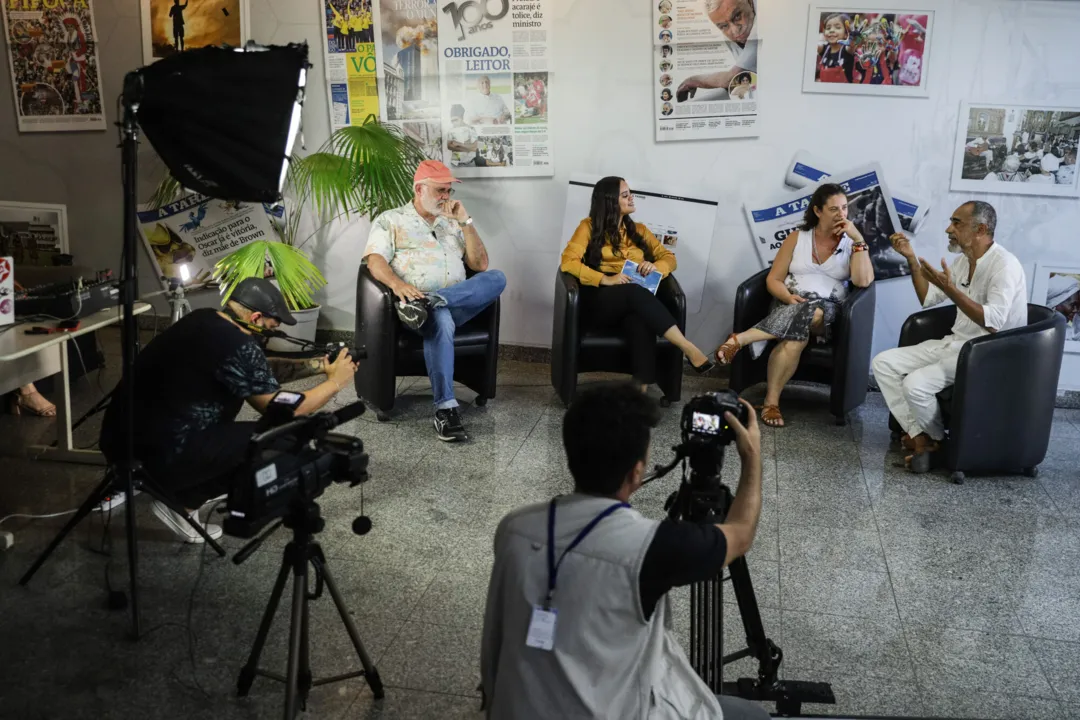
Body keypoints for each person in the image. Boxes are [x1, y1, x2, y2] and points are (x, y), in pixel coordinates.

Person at [480, 382, 769, 720]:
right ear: (636, 472)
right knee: (751, 717)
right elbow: (740, 534)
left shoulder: (514, 528)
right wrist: (752, 458)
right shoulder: (653, 546)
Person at [98, 278, 358, 542]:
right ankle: (181, 504)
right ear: (256, 317)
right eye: (270, 328)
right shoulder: (238, 345)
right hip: (163, 454)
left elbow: (252, 369)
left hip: (120, 445)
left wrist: (317, 366)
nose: (270, 334)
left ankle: (166, 484)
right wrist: (336, 382)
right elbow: (282, 409)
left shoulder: (204, 320)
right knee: (280, 437)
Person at [872, 202, 1027, 473]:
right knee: (883, 363)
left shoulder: (1004, 265)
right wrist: (911, 258)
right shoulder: (961, 261)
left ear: (981, 229)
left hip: (985, 354)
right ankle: (926, 438)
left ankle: (934, 445)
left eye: (957, 223)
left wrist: (952, 290)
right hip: (954, 344)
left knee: (915, 384)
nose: (949, 229)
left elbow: (993, 322)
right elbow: (927, 298)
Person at [363, 160, 506, 442]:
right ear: (419, 189)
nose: (446, 197)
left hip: (450, 302)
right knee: (439, 321)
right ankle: (445, 409)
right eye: (440, 190)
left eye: (448, 191)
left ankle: (435, 300)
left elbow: (480, 264)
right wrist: (398, 285)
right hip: (409, 310)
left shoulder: (452, 223)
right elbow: (374, 261)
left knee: (497, 277)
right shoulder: (391, 220)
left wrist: (465, 222)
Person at [713, 183, 875, 428]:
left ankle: (742, 339)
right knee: (795, 337)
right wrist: (788, 298)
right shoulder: (797, 238)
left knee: (813, 310)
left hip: (827, 311)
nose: (842, 214)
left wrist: (859, 240)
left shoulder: (852, 243)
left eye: (844, 208)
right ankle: (771, 403)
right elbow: (773, 279)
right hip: (788, 303)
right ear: (818, 211)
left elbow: (862, 281)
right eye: (834, 209)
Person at [560, 177, 715, 391]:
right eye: (625, 195)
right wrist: (605, 279)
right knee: (634, 291)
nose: (631, 197)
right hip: (600, 301)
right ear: (610, 202)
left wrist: (655, 267)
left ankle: (640, 391)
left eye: (629, 193)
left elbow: (669, 258)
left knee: (640, 318)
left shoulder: (639, 230)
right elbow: (568, 262)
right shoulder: (588, 227)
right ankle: (687, 347)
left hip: (634, 301)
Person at [676, 0, 756, 101]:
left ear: (749, 3)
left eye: (737, 16)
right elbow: (745, 78)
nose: (735, 30)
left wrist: (693, 80)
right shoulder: (729, 38)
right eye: (723, 26)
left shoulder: (760, 26)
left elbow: (734, 76)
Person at [816, 12, 854, 83]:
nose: (832, 30)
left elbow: (852, 45)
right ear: (824, 34)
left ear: (846, 34)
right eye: (828, 28)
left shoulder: (847, 49)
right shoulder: (823, 49)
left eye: (837, 27)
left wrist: (853, 38)